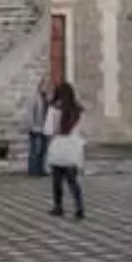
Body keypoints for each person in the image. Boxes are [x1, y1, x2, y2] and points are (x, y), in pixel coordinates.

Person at [45, 82, 86, 220]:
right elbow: (81, 130)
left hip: (59, 145)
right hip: (73, 147)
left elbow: (49, 130)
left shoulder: (55, 109)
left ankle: (58, 206)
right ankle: (79, 207)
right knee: (72, 180)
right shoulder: (78, 110)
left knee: (57, 180)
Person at [27, 78, 52, 177]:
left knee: (43, 150)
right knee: (35, 151)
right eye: (45, 86)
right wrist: (31, 126)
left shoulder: (46, 98)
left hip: (44, 128)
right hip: (36, 128)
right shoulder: (35, 98)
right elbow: (30, 113)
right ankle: (33, 170)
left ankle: (40, 169)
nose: (47, 88)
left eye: (48, 86)